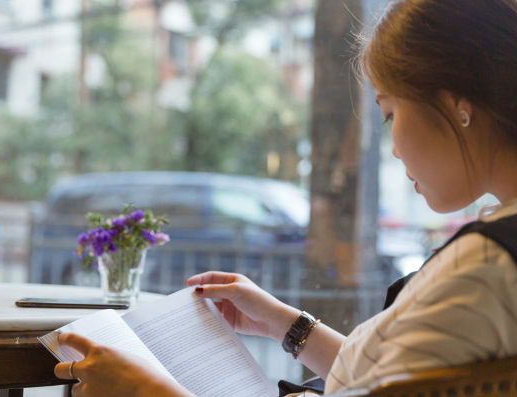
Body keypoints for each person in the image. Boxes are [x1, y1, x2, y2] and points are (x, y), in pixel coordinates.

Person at [54, 0, 517, 395]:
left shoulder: (484, 264)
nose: (393, 146)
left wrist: (148, 390)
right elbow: (383, 381)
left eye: (389, 112)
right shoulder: (492, 257)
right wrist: (285, 323)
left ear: (457, 101)